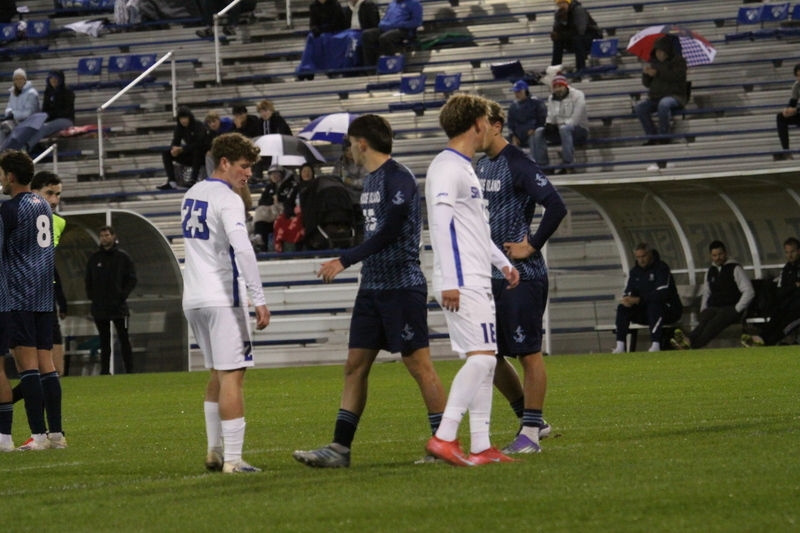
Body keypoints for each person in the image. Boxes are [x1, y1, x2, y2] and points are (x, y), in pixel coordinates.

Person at [293, 114, 446, 468]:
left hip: (401, 286)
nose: (348, 151)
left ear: (362, 143)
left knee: (419, 364)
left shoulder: (399, 177)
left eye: (349, 144)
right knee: (354, 365)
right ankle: (339, 449)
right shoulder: (373, 180)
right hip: (373, 287)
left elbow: (390, 230)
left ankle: (443, 443)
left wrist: (345, 260)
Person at [424, 94, 520, 466]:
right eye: (486, 121)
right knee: (481, 361)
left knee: (487, 360)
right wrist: (450, 277)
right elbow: (442, 226)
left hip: (475, 274)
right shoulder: (447, 167)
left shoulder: (464, 167)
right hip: (461, 278)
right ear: (477, 123)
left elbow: (474, 230)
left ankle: (481, 445)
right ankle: (445, 437)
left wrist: (502, 263)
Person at [477, 101, 567, 454]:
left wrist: (531, 245)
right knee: (490, 355)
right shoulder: (481, 165)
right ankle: (533, 421)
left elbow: (555, 205)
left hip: (522, 276)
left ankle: (530, 434)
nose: (474, 132)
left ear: (497, 126)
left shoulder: (519, 163)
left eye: (480, 125)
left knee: (528, 353)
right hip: (490, 276)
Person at [181, 132, 270, 474]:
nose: (248, 173)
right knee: (233, 375)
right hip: (222, 297)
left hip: (194, 298)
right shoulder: (228, 198)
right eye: (244, 167)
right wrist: (259, 298)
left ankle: (214, 451)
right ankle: (233, 459)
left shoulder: (193, 192)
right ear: (225, 163)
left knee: (218, 374)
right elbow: (243, 248)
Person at [0, 149, 64, 451]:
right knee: (46, 364)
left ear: (10, 177)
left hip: (19, 294)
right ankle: (56, 434)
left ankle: (37, 436)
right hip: (42, 293)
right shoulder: (43, 206)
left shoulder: (9, 210)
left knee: (27, 367)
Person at [672, 241, 754, 350]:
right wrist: (703, 310)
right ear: (711, 256)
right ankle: (687, 341)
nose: (718, 258)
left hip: (730, 308)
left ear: (725, 253)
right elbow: (707, 293)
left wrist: (737, 309)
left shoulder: (735, 269)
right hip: (714, 308)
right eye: (715, 255)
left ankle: (690, 344)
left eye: (720, 254)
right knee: (703, 323)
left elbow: (749, 291)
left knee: (712, 325)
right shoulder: (710, 272)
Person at [85, 226, 138, 375]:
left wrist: (122, 295)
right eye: (102, 235)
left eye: (107, 235)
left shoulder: (123, 257)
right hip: (100, 307)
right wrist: (92, 296)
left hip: (119, 307)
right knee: (104, 340)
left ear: (113, 236)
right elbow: (88, 280)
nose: (104, 238)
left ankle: (130, 371)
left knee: (123, 339)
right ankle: (104, 371)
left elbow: (132, 279)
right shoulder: (94, 259)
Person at [613, 243, 682, 353]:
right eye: (638, 257)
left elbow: (661, 294)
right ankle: (620, 347)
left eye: (643, 256)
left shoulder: (661, 268)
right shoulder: (634, 272)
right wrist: (627, 299)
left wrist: (638, 300)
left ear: (650, 254)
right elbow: (630, 291)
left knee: (654, 307)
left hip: (668, 310)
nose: (641, 260)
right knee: (622, 308)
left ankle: (656, 345)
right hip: (645, 311)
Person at [742, 237, 800, 346]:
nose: (790, 255)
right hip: (788, 304)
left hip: (797, 308)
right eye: (787, 252)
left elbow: (785, 289)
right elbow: (780, 291)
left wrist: (790, 288)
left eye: (792, 251)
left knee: (787, 322)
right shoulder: (787, 269)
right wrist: (794, 285)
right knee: (776, 317)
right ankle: (761, 338)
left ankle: (766, 342)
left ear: (798, 251)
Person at [634, 36, 688, 145]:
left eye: (661, 51)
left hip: (675, 96)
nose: (659, 54)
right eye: (657, 51)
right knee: (640, 108)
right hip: (656, 97)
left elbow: (677, 76)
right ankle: (652, 136)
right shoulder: (654, 64)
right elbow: (647, 84)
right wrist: (646, 75)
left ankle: (664, 136)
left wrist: (657, 73)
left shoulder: (679, 61)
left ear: (667, 51)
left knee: (664, 104)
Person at [533, 74, 589, 174]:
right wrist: (549, 124)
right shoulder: (552, 97)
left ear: (566, 85)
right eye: (555, 87)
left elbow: (576, 119)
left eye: (560, 86)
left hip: (578, 130)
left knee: (564, 129)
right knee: (539, 131)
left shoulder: (578, 95)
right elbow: (551, 115)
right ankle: (543, 165)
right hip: (560, 129)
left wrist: (560, 125)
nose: (558, 89)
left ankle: (568, 164)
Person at [158, 106, 210, 190]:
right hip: (190, 155)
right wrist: (174, 149)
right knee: (166, 153)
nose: (183, 121)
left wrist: (182, 149)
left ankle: (193, 179)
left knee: (197, 151)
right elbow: (175, 141)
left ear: (190, 117)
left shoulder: (197, 125)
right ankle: (172, 181)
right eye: (181, 118)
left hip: (202, 156)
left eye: (185, 118)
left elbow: (200, 143)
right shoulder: (179, 128)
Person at [361, 0, 422, 68]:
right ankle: (370, 68)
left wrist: (401, 24)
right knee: (367, 35)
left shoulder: (414, 3)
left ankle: (391, 66)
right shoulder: (392, 4)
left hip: (403, 30)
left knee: (385, 38)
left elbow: (417, 22)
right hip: (386, 29)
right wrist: (383, 24)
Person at [24, 70, 75, 152]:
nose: (53, 81)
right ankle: (33, 148)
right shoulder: (48, 92)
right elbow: (45, 109)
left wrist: (51, 115)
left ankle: (26, 147)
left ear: (60, 79)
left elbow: (67, 112)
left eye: (55, 78)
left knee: (44, 128)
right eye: (51, 78)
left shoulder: (68, 92)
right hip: (51, 119)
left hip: (66, 120)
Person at [550, 0, 601, 74]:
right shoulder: (558, 13)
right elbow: (556, 31)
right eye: (559, 4)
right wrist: (562, 21)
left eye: (564, 3)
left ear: (569, 3)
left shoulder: (578, 10)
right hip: (573, 38)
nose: (562, 6)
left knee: (577, 39)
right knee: (558, 41)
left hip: (591, 37)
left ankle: (580, 69)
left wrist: (561, 34)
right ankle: (554, 70)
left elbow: (581, 30)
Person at [506, 80, 548, 156]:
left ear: (526, 91)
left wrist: (535, 128)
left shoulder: (536, 102)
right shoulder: (513, 106)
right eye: (515, 92)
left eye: (519, 92)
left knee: (535, 137)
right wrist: (513, 136)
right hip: (519, 134)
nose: (517, 94)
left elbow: (542, 118)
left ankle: (541, 164)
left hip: (533, 132)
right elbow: (510, 123)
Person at [1, 69, 40, 147]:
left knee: (6, 127)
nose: (19, 81)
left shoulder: (31, 93)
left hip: (28, 123)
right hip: (15, 121)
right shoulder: (13, 93)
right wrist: (10, 113)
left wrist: (13, 114)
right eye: (16, 79)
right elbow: (8, 108)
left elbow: (28, 113)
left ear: (25, 80)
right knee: (3, 127)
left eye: (21, 78)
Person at [775, 63, 800, 159]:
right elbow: (792, 103)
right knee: (781, 117)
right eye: (798, 75)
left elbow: (795, 109)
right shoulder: (797, 86)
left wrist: (795, 110)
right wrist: (787, 110)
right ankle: (786, 151)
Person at [204, 110, 235, 178]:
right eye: (210, 122)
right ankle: (212, 178)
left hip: (230, 152)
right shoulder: (210, 134)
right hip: (219, 154)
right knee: (208, 156)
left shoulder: (228, 129)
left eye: (214, 121)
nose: (212, 124)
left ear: (218, 120)